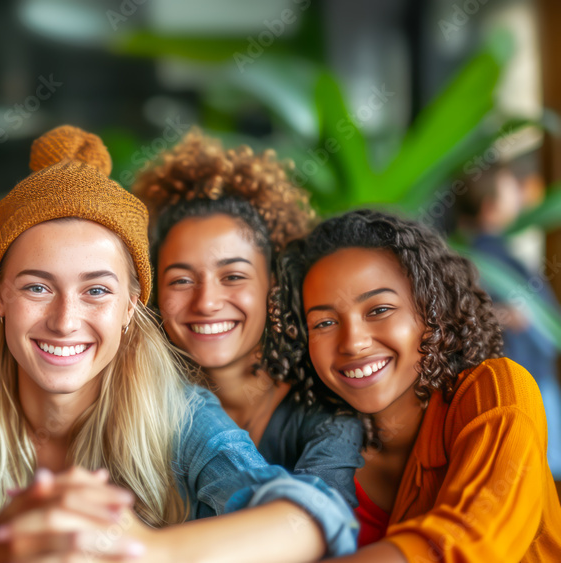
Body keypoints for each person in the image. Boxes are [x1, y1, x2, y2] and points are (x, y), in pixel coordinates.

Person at [0, 125, 357, 562]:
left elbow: (312, 514)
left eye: (96, 290)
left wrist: (146, 552)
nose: (66, 321)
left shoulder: (179, 412)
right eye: (38, 287)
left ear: (134, 303)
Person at [273, 209, 561, 559]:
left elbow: (469, 543)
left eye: (378, 310)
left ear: (432, 312)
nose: (352, 342)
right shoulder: (310, 439)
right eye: (324, 323)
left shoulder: (498, 391)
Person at [133, 131, 362, 506]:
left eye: (233, 276)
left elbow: (322, 524)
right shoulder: (138, 399)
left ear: (274, 283)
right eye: (182, 280)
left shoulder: (327, 410)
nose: (206, 303)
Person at [453, 164, 561, 479]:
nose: (520, 192)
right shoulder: (490, 259)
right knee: (533, 471)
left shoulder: (470, 257)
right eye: (511, 189)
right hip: (525, 381)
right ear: (489, 209)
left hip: (516, 381)